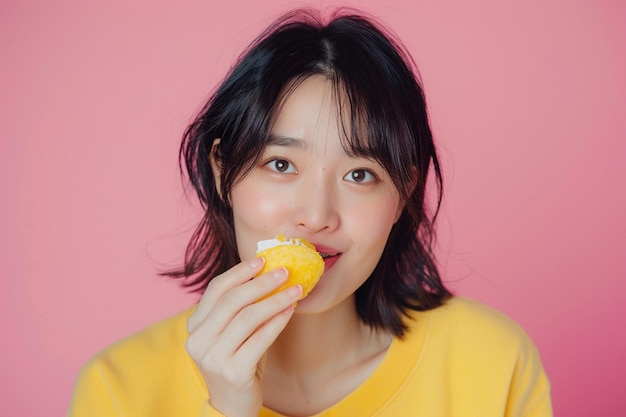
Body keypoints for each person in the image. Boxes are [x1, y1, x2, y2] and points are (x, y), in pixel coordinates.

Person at [68, 8, 552, 417]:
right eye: (281, 164)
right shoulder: (119, 389)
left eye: (360, 174)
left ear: (404, 190)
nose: (317, 216)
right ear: (222, 172)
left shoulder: (493, 362)